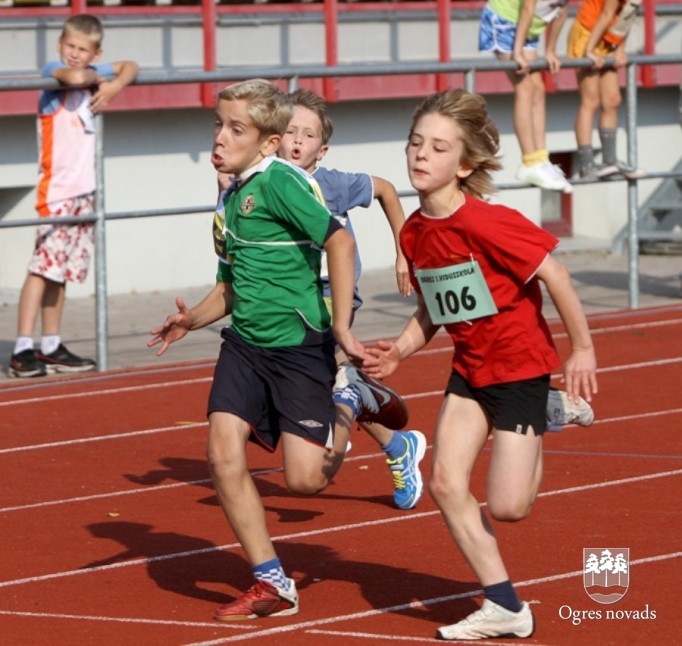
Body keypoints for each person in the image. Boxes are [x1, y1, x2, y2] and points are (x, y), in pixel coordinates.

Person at [148, 79, 408, 622]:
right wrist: (190, 320)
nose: (220, 137)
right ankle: (271, 580)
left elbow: (340, 240)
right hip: (244, 344)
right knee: (222, 454)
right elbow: (231, 286)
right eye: (217, 125)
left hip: (298, 345)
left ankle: (352, 402)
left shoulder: (281, 183)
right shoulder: (230, 199)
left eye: (235, 128)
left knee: (304, 481)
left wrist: (340, 328)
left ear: (266, 142)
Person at [362, 88, 598, 640]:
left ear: (465, 165)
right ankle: (505, 606)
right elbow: (435, 310)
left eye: (438, 148)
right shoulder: (416, 232)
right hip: (469, 371)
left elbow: (556, 276)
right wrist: (398, 349)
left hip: (520, 370)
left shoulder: (489, 222)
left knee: (511, 507)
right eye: (415, 143)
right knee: (445, 483)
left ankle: (546, 407)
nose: (421, 155)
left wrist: (581, 349)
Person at [277, 87, 426, 511]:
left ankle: (359, 404)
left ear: (321, 151)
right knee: (331, 382)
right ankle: (397, 444)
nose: (297, 141)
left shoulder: (332, 184)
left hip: (329, 299)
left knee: (321, 382)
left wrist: (403, 251)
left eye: (307, 136)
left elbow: (387, 191)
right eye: (290, 132)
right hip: (291, 301)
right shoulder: (267, 184)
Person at [9, 14, 139, 378]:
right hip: (57, 192)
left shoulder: (95, 70)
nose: (74, 54)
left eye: (83, 49)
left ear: (95, 51)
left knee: (60, 272)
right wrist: (101, 75)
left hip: (84, 191)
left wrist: (114, 87)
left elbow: (132, 66)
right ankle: (22, 347)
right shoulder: (55, 73)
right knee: (41, 268)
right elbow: (76, 76)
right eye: (70, 46)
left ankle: (50, 344)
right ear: (59, 46)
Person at [478, 0, 572, 193]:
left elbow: (562, 9)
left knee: (538, 88)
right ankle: (529, 161)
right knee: (525, 88)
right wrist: (518, 52)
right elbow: (529, 6)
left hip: (528, 27)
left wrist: (551, 50)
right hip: (505, 21)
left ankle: (540, 159)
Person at [567, 0, 645, 180]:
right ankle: (587, 164)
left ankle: (610, 160)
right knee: (590, 100)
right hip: (587, 33)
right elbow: (606, 13)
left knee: (612, 100)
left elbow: (628, 13)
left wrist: (620, 49)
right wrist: (589, 50)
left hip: (606, 37)